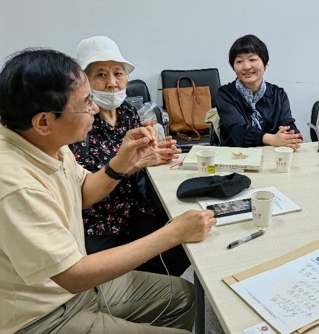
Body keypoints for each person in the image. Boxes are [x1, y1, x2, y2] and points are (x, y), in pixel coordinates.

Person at [0, 49, 216, 333]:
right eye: (86, 102)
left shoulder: (48, 142)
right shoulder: (14, 183)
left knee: (183, 297)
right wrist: (174, 233)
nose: (93, 109)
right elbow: (73, 275)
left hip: (73, 289)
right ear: (43, 122)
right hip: (43, 316)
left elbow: (83, 191)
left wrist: (123, 162)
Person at [70, 35, 189, 276]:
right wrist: (135, 165)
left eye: (118, 73)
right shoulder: (79, 121)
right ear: (84, 82)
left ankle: (154, 288)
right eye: (101, 75)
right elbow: (81, 190)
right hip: (100, 220)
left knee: (182, 247)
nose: (112, 83)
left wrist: (155, 152)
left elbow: (139, 158)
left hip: (135, 207)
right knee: (104, 276)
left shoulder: (127, 112)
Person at [216, 34, 303, 148]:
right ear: (233, 67)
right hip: (235, 154)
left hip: (273, 154)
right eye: (239, 61)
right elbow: (238, 131)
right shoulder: (225, 94)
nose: (246, 66)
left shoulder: (278, 94)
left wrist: (291, 137)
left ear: (264, 64)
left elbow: (287, 123)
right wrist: (271, 139)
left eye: (252, 59)